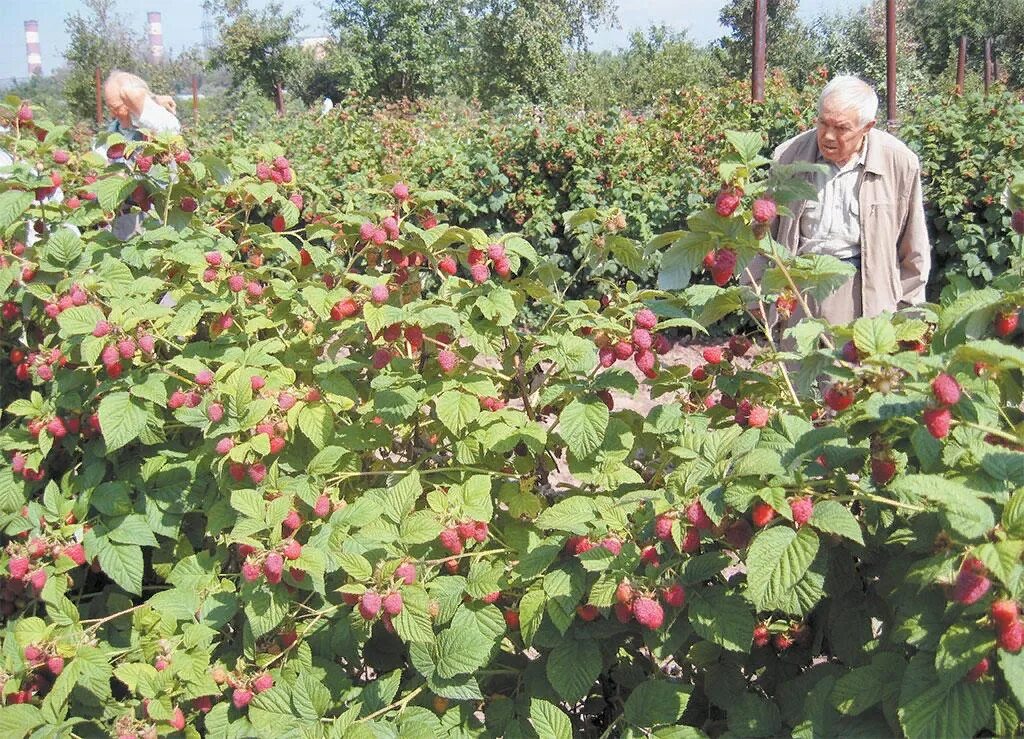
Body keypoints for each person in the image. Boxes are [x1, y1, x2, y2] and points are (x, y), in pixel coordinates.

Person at [767, 75, 930, 325]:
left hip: (862, 293)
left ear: (868, 127)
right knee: (797, 364)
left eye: (841, 128)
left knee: (853, 363)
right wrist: (755, 294)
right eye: (823, 123)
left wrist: (908, 309)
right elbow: (763, 233)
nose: (828, 136)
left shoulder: (899, 162)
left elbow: (914, 244)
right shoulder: (789, 157)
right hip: (799, 288)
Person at [103, 70, 181, 139]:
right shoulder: (114, 130)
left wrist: (150, 101)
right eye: (110, 108)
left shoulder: (163, 121)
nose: (112, 115)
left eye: (116, 108)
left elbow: (172, 132)